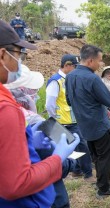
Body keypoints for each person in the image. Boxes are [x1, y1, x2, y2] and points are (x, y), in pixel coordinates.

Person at [0, 20, 79, 207]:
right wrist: (58, 158)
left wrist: (27, 141)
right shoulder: (7, 109)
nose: (19, 62)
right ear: (3, 55)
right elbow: (15, 184)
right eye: (19, 55)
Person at [65, 44, 110, 199]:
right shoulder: (92, 78)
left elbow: (69, 101)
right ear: (91, 60)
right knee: (105, 156)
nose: (101, 65)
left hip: (84, 125)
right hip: (99, 125)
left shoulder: (70, 76)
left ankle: (102, 181)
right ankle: (103, 189)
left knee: (96, 156)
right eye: (99, 61)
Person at [5, 64, 77, 208]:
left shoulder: (6, 117)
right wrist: (68, 160)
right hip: (49, 197)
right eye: (33, 91)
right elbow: (64, 164)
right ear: (25, 93)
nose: (36, 95)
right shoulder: (42, 123)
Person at [46, 54, 94, 182]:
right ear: (67, 65)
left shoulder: (69, 78)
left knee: (77, 145)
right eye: (74, 66)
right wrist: (54, 120)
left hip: (73, 120)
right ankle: (88, 174)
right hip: (62, 122)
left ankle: (77, 170)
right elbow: (49, 104)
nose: (76, 69)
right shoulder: (55, 81)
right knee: (81, 145)